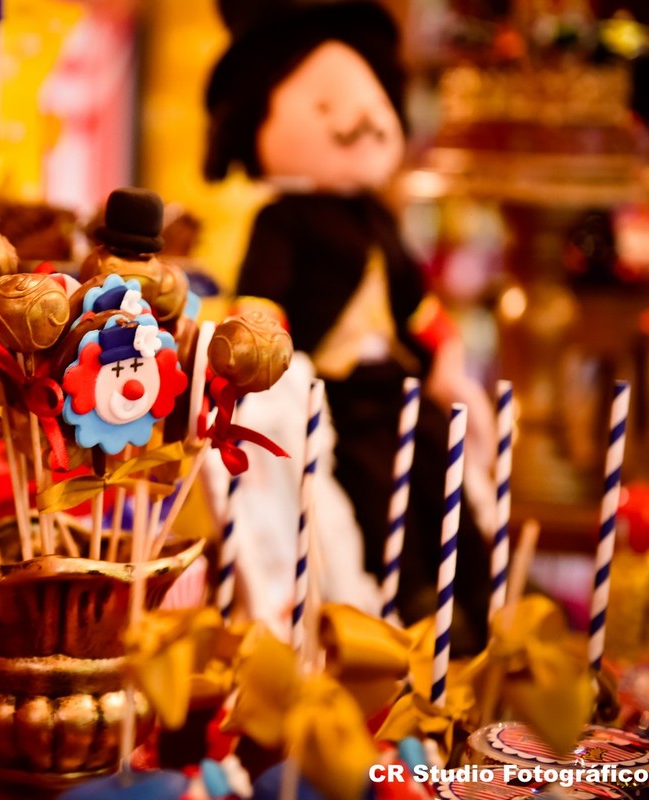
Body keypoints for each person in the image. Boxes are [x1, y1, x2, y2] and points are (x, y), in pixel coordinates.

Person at [204, 0, 496, 651]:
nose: (359, 121)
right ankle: (405, 600)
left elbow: (415, 306)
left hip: (398, 386)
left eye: (373, 103)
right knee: (371, 480)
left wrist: (446, 357)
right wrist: (259, 351)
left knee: (437, 464)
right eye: (325, 107)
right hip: (331, 396)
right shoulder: (281, 220)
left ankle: (469, 594)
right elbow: (261, 302)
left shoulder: (378, 217)